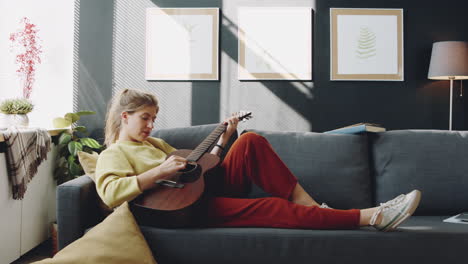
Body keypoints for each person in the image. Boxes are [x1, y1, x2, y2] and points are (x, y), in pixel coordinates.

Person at [95, 89, 421, 232]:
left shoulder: (155, 142)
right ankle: (373, 216)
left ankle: (312, 208)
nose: (151, 125)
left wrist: (226, 134)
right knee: (269, 207)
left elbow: (203, 166)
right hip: (182, 210)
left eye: (153, 118)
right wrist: (157, 172)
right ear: (125, 117)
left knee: (249, 140)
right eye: (145, 118)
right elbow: (110, 193)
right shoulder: (115, 153)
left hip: (200, 189)